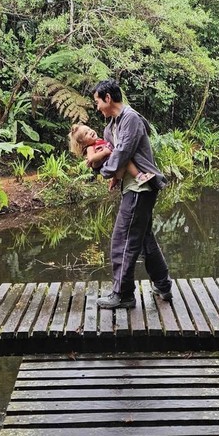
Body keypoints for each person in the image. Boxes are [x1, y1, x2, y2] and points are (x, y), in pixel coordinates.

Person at [91, 79, 173, 310]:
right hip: (132, 188)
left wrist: (105, 172)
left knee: (123, 240)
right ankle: (163, 285)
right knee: (144, 239)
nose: (97, 108)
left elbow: (122, 153)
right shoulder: (111, 126)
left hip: (140, 188)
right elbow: (107, 154)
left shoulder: (130, 119)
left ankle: (123, 294)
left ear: (108, 98)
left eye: (97, 102)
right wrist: (97, 164)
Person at [68, 123, 155, 186]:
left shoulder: (99, 141)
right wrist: (104, 152)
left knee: (125, 161)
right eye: (86, 134)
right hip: (108, 165)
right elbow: (91, 158)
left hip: (113, 164)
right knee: (126, 161)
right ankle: (140, 177)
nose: (90, 132)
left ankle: (117, 179)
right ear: (83, 143)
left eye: (89, 129)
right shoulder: (90, 148)